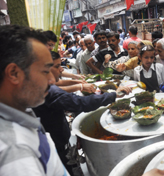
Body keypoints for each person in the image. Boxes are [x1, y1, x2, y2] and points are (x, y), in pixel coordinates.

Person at [33, 51, 132, 175]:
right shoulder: (47, 91)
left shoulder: (40, 87)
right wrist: (113, 95)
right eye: (57, 66)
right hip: (56, 143)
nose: (61, 70)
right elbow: (80, 102)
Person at [0, 25, 68, 175]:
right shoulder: (16, 153)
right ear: (14, 73)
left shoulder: (20, 110)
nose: (51, 80)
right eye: (45, 71)